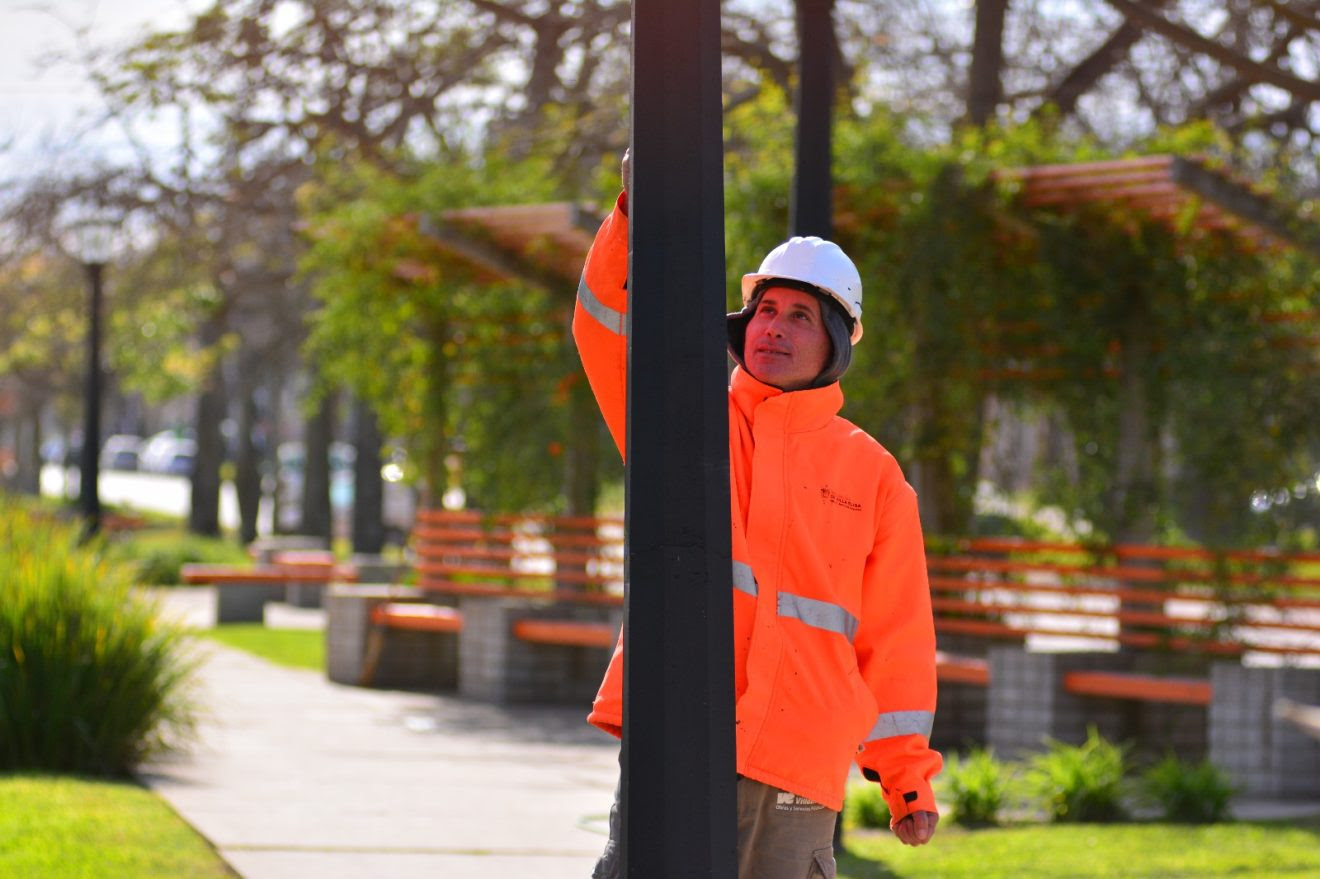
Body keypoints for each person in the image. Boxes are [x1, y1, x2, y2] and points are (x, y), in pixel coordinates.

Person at [574, 152, 941, 878]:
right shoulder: (689, 417)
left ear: (836, 341)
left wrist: (906, 777)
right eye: (765, 309)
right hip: (678, 735)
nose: (773, 327)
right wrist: (631, 216)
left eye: (799, 315)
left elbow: (897, 634)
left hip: (800, 763)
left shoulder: (873, 473)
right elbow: (605, 331)